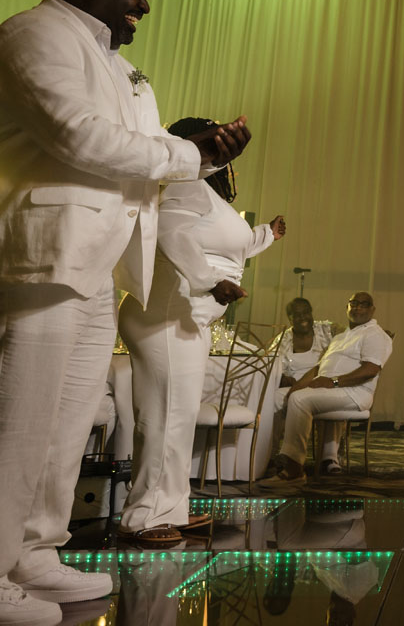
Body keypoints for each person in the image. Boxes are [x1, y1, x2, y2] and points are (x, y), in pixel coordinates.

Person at [0, 0, 250, 626]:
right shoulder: (32, 34)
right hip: (46, 254)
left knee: (65, 421)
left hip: (101, 265)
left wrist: (207, 157)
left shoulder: (118, 64)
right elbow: (76, 136)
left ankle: (34, 553)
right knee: (20, 419)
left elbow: (151, 157)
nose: (143, 4)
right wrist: (188, 153)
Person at [117, 116, 284, 544]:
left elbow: (231, 244)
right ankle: (144, 515)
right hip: (168, 312)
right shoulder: (185, 183)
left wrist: (267, 234)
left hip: (187, 316)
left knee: (178, 415)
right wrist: (209, 280)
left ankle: (170, 506)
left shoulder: (206, 192)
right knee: (164, 415)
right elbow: (172, 233)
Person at [262, 292, 393, 487]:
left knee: (299, 399)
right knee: (276, 397)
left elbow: (370, 370)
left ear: (372, 310)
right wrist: (295, 387)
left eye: (364, 304)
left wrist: (333, 382)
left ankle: (294, 469)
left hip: (354, 393)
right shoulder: (341, 337)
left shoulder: (374, 334)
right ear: (347, 308)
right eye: (354, 303)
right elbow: (317, 369)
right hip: (332, 388)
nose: (358, 307)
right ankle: (266, 458)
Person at [270, 297, 344, 472]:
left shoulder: (327, 330)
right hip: (294, 387)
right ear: (290, 319)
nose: (303, 317)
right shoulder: (284, 339)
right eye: (297, 315)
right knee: (273, 399)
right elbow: (272, 365)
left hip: (323, 383)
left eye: (306, 313)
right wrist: (283, 377)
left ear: (311, 313)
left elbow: (348, 336)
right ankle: (273, 454)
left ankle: (329, 458)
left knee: (333, 397)